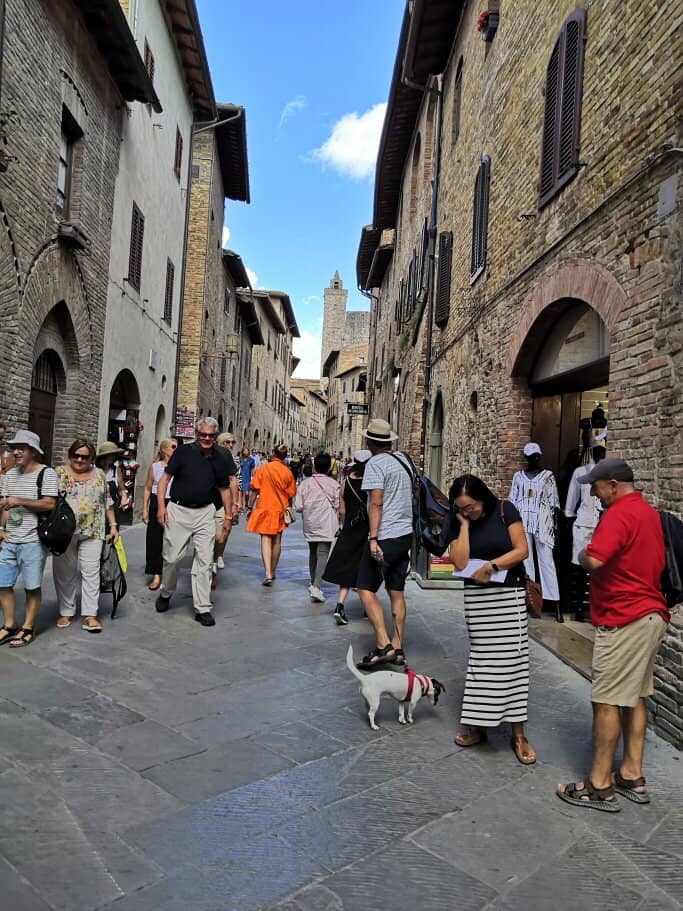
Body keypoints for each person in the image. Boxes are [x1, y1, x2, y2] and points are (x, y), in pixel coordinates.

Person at [557, 458, 669, 812]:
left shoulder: (619, 514)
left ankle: (599, 784)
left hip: (625, 620)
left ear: (614, 484)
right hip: (650, 615)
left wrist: (582, 552)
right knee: (634, 696)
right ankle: (632, 774)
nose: (592, 492)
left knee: (605, 700)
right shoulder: (647, 511)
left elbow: (597, 559)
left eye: (596, 486)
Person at [447, 474, 536, 764]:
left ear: (482, 497)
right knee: (482, 663)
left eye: (471, 507)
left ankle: (518, 734)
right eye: (462, 508)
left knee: (513, 662)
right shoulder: (461, 520)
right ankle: (479, 726)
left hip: (507, 595)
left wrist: (492, 565)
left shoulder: (505, 510)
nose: (468, 511)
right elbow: (459, 562)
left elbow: (522, 549)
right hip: (478, 601)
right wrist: (462, 525)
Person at [155, 418, 235, 626]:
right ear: (197, 434)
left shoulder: (221, 457)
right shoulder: (183, 452)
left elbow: (225, 489)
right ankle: (166, 592)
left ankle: (203, 607)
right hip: (179, 510)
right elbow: (165, 479)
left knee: (205, 560)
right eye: (203, 434)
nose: (207, 438)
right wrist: (162, 507)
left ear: (215, 436)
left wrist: (228, 516)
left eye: (211, 435)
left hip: (205, 513)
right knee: (172, 558)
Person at [355, 419, 414, 670]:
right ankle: (398, 649)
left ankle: (383, 644)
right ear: (389, 441)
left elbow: (376, 503)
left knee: (364, 588)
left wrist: (373, 537)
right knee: (396, 591)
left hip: (386, 536)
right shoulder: (405, 461)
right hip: (405, 535)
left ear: (370, 441)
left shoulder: (375, 464)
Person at [53, 439, 119, 633]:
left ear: (91, 458)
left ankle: (90, 614)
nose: (79, 459)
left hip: (93, 530)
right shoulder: (58, 473)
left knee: (91, 572)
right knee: (64, 573)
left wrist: (113, 525)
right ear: (70, 455)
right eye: (76, 455)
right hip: (64, 532)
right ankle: (66, 610)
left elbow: (107, 502)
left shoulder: (99, 474)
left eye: (84, 456)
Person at [0, 430, 58, 647]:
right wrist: (1, 528)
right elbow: (6, 505)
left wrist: (20, 501)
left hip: (33, 540)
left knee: (32, 587)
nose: (16, 452)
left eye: (21, 448)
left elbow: (49, 503)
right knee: (2, 584)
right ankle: (9, 625)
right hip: (10, 540)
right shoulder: (11, 475)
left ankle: (28, 628)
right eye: (14, 448)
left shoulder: (47, 474)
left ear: (33, 451)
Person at [509, 442, 562, 621]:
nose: (535, 459)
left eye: (537, 456)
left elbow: (554, 502)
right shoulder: (518, 477)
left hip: (542, 522)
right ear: (526, 457)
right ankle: (531, 601)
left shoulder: (548, 476)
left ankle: (554, 603)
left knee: (547, 562)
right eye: (531, 457)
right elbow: (513, 501)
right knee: (527, 561)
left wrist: (555, 524)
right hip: (523, 520)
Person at [323, 449, 371, 625]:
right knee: (366, 568)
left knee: (347, 570)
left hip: (350, 528)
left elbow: (342, 510)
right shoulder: (371, 483)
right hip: (366, 529)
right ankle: (368, 607)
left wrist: (344, 525)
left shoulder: (346, 482)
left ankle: (340, 605)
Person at [564, 445, 606, 620]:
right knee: (580, 569)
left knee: (600, 570)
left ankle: (597, 608)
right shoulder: (580, 472)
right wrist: (569, 514)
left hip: (601, 526)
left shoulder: (608, 474)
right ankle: (579, 607)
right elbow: (572, 496)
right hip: (582, 525)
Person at [246, 444, 297, 586]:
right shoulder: (287, 472)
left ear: (273, 454)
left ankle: (267, 572)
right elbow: (291, 494)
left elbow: (255, 490)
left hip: (265, 508)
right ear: (285, 456)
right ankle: (273, 571)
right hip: (280, 509)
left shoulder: (263, 469)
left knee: (265, 539)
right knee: (277, 541)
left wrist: (249, 507)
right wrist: (289, 509)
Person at [295, 452, 340, 603]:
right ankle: (316, 585)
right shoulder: (334, 485)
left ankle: (313, 581)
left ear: (314, 467)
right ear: (328, 468)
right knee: (323, 553)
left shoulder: (304, 484)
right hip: (326, 523)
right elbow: (339, 505)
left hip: (310, 522)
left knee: (312, 551)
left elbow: (298, 506)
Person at [142, 438, 177, 590]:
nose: (176, 449)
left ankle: (168, 573)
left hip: (174, 503)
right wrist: (145, 508)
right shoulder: (155, 467)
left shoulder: (180, 467)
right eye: (173, 447)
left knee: (173, 541)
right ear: (164, 449)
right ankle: (156, 574)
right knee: (154, 539)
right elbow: (148, 488)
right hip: (157, 502)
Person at [211, 432, 240, 587]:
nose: (231, 445)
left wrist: (235, 503)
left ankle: (216, 557)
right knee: (209, 536)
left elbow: (234, 480)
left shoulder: (232, 460)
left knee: (221, 536)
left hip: (225, 502)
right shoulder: (210, 456)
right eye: (227, 442)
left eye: (232, 442)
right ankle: (209, 567)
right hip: (208, 501)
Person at [95, 442, 129, 530]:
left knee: (112, 535)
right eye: (110, 455)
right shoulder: (95, 471)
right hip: (97, 507)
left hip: (113, 507)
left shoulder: (116, 471)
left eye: (114, 455)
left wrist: (124, 498)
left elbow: (122, 488)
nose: (113, 457)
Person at [238, 446, 255, 513]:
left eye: (247, 451)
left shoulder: (251, 460)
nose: (246, 452)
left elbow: (253, 469)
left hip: (248, 477)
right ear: (242, 452)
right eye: (244, 451)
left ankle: (246, 504)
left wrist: (253, 476)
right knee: (240, 492)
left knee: (247, 493)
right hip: (241, 477)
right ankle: (240, 506)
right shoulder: (240, 459)